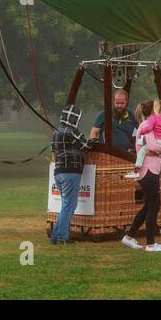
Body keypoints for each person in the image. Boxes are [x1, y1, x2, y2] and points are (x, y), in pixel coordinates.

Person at [121, 105, 161, 253]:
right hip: (148, 169)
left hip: (149, 169)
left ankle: (129, 237)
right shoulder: (147, 126)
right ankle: (150, 243)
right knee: (155, 205)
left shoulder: (147, 125)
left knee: (149, 205)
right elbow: (154, 146)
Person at [50, 104, 92, 245]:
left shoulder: (56, 131)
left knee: (65, 205)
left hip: (59, 172)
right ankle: (62, 237)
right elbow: (86, 145)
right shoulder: (71, 131)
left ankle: (55, 235)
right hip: (70, 172)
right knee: (69, 206)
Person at [125, 99, 161, 180]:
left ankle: (137, 170)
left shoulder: (151, 123)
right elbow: (153, 146)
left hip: (151, 168)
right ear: (154, 110)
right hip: (149, 169)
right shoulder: (148, 123)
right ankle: (136, 170)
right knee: (153, 193)